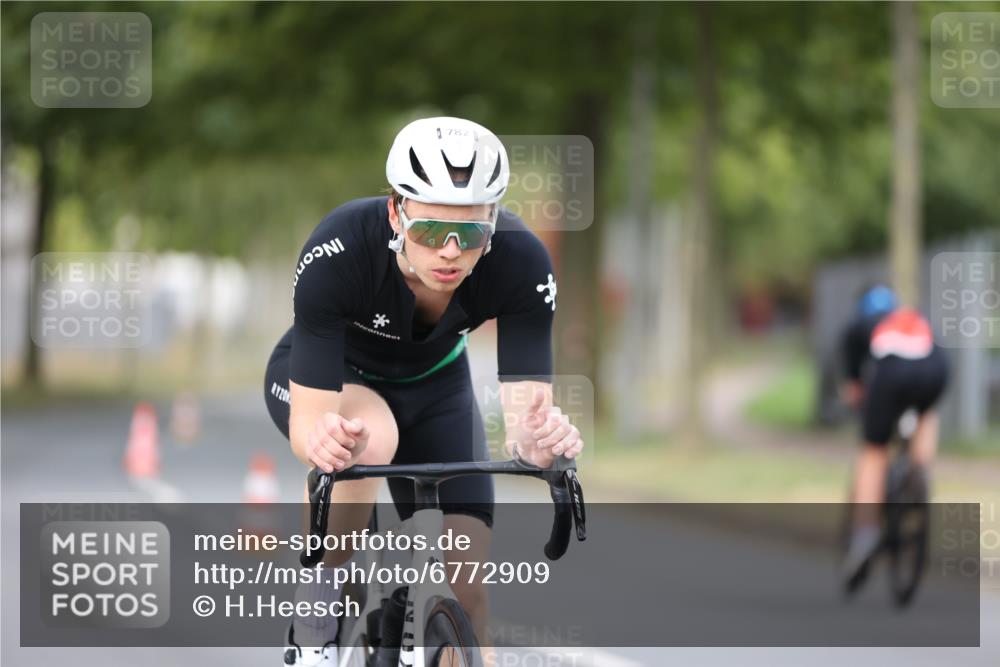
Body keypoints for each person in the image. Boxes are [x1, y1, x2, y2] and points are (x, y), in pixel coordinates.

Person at [263, 117, 585, 666]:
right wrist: (325, 444)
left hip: (437, 390)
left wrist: (539, 445)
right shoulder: (338, 248)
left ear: (494, 224)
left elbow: (525, 426)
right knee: (369, 438)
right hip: (336, 379)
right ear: (396, 212)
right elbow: (310, 430)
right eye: (432, 231)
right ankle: (320, 604)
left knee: (468, 590)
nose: (452, 251)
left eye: (472, 233)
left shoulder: (522, 262)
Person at [839, 284, 949, 590]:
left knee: (873, 453)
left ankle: (864, 536)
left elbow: (854, 389)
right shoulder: (911, 318)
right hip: (936, 369)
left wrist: (861, 404)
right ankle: (919, 474)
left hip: (892, 376)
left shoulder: (856, 328)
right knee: (926, 414)